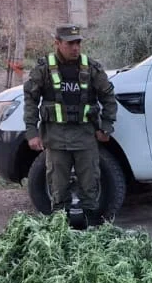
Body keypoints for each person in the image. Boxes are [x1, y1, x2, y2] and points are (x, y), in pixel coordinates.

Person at [22, 24, 118, 229]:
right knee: (58, 189)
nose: (75, 48)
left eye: (78, 43)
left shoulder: (91, 68)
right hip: (56, 139)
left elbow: (109, 97)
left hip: (85, 137)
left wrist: (107, 126)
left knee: (90, 186)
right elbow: (30, 99)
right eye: (70, 43)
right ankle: (61, 231)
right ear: (57, 43)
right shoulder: (44, 69)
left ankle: (92, 230)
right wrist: (31, 132)